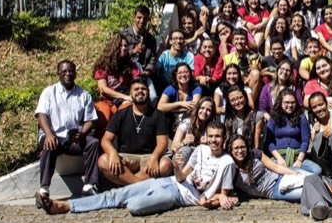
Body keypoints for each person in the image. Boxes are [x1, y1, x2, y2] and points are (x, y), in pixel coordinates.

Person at [37, 121, 237, 216]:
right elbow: (183, 177)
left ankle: (124, 197)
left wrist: (210, 201)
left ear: (224, 138)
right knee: (115, 195)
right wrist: (177, 169)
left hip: (178, 198)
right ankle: (64, 206)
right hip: (169, 183)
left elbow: (223, 194)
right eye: (211, 136)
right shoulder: (200, 149)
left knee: (134, 206)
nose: (213, 140)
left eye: (217, 137)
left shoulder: (227, 162)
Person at [35, 60, 99, 201]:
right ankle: (44, 189)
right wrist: (49, 134)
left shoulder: (84, 95)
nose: (67, 74)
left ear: (75, 73)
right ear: (58, 73)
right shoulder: (48, 92)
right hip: (54, 136)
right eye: (64, 71)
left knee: (93, 143)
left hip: (73, 139)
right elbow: (41, 115)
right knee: (48, 144)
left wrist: (82, 134)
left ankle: (89, 185)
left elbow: (91, 120)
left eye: (70, 71)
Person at [97, 79, 173, 187]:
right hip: (125, 157)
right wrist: (113, 153)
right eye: (136, 89)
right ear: (130, 94)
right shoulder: (121, 114)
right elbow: (106, 140)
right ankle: (138, 186)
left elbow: (162, 143)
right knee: (103, 160)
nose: (140, 91)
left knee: (166, 165)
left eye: (143, 89)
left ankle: (128, 186)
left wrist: (154, 158)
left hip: (149, 157)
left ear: (148, 92)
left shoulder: (158, 114)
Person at [229, 134, 310, 202]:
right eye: (236, 148)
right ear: (231, 151)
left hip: (280, 176)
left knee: (312, 177)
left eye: (242, 147)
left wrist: (295, 174)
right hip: (274, 191)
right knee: (308, 192)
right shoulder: (231, 170)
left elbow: (275, 167)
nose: (240, 151)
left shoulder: (254, 154)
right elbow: (227, 188)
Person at [93, 34, 141, 138]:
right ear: (113, 47)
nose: (124, 48)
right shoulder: (103, 66)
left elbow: (138, 83)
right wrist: (124, 96)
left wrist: (130, 97)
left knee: (126, 113)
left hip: (124, 101)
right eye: (120, 46)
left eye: (125, 46)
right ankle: (99, 149)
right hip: (106, 100)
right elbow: (103, 89)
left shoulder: (130, 66)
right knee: (104, 117)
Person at [265, 89, 322, 173]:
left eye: (292, 102)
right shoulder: (273, 118)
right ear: (280, 102)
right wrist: (279, 158)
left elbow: (305, 141)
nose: (290, 105)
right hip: (279, 157)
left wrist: (299, 160)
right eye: (286, 102)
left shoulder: (301, 118)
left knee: (317, 170)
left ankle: (292, 173)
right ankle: (293, 173)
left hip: (297, 156)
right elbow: (269, 141)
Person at [157, 62, 203, 132]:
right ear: (176, 75)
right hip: (171, 125)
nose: (183, 75)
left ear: (190, 74)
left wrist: (170, 109)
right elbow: (160, 107)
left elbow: (194, 106)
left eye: (186, 72)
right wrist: (180, 103)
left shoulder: (196, 88)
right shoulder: (170, 89)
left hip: (189, 124)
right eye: (180, 72)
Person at [171, 97, 216, 165]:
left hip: (201, 161)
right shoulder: (186, 123)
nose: (204, 112)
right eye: (202, 108)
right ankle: (181, 175)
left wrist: (209, 143)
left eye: (208, 110)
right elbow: (173, 147)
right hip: (183, 159)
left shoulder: (213, 128)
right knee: (186, 150)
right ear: (197, 109)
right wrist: (184, 142)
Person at [222, 28, 262, 102]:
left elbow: (259, 75)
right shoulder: (227, 58)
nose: (239, 41)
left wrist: (257, 68)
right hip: (233, 86)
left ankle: (249, 103)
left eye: (242, 39)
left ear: (246, 41)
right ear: (233, 42)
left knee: (256, 73)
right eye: (236, 39)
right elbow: (225, 77)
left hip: (250, 86)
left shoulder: (254, 56)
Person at [121, 6, 158, 85]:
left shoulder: (151, 39)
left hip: (143, 76)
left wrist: (147, 71)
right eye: (139, 17)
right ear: (134, 17)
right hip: (125, 73)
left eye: (145, 18)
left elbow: (152, 59)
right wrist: (133, 51)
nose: (142, 21)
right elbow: (116, 55)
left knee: (153, 96)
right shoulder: (123, 35)